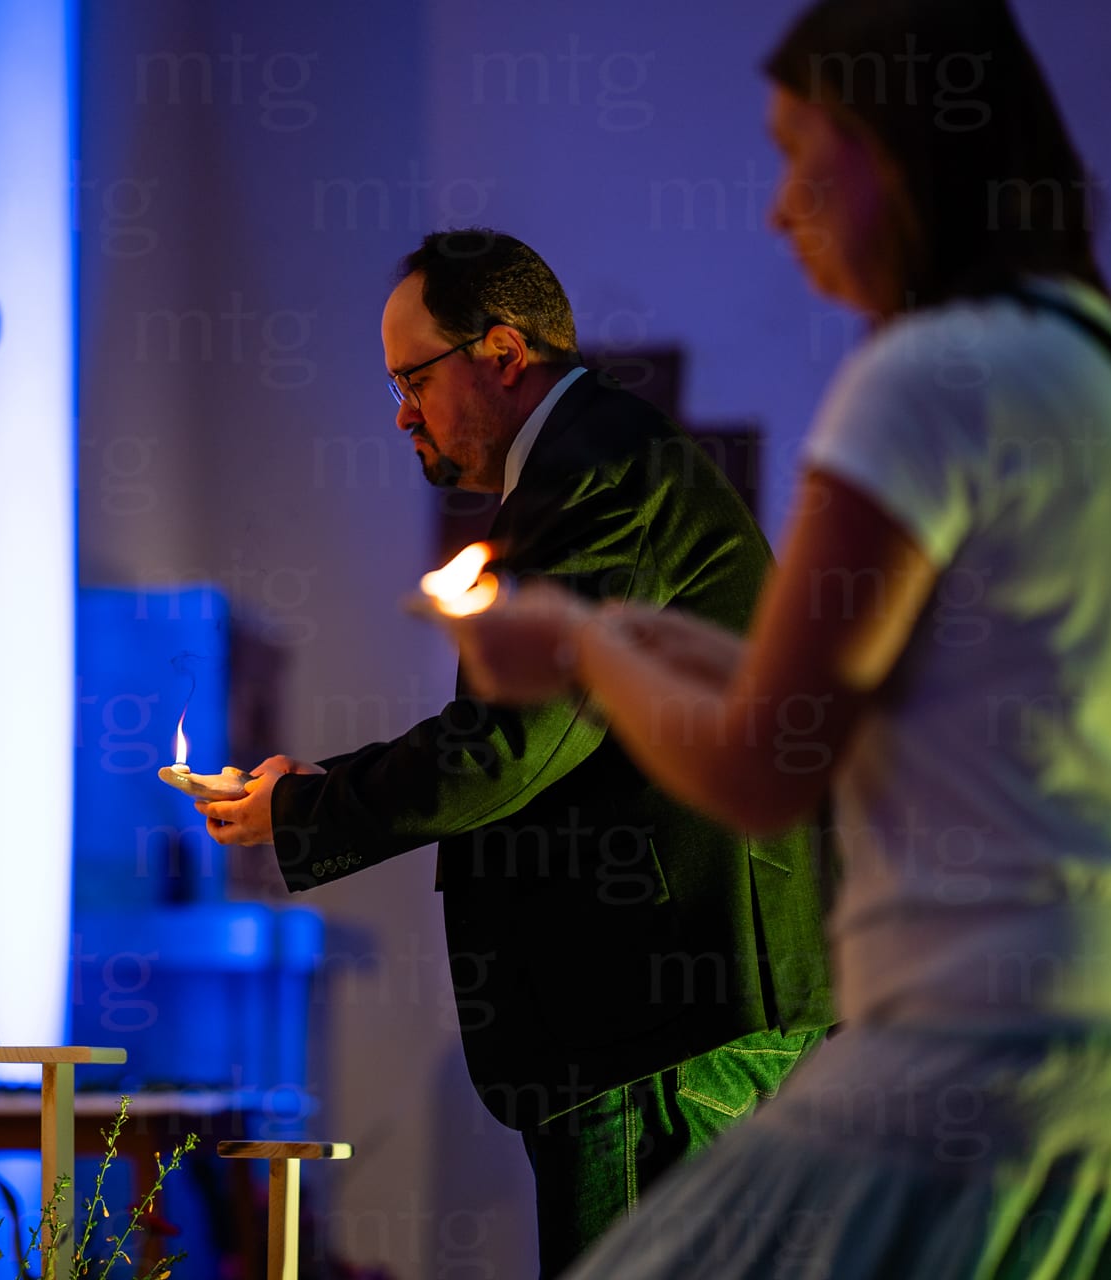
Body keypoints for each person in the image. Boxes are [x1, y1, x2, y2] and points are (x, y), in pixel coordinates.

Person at [443, 1, 1111, 1275]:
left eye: (796, 153)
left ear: (895, 145)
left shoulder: (923, 376)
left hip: (973, 1055)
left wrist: (573, 652)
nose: (778, 208)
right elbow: (862, 713)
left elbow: (765, 762)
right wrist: (623, 640)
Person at [198, 227, 836, 1274]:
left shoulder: (602, 470)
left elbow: (513, 742)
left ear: (501, 353)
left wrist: (307, 811)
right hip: (663, 1010)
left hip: (660, 1019)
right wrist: (323, 787)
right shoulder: (590, 465)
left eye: (413, 379)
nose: (401, 413)